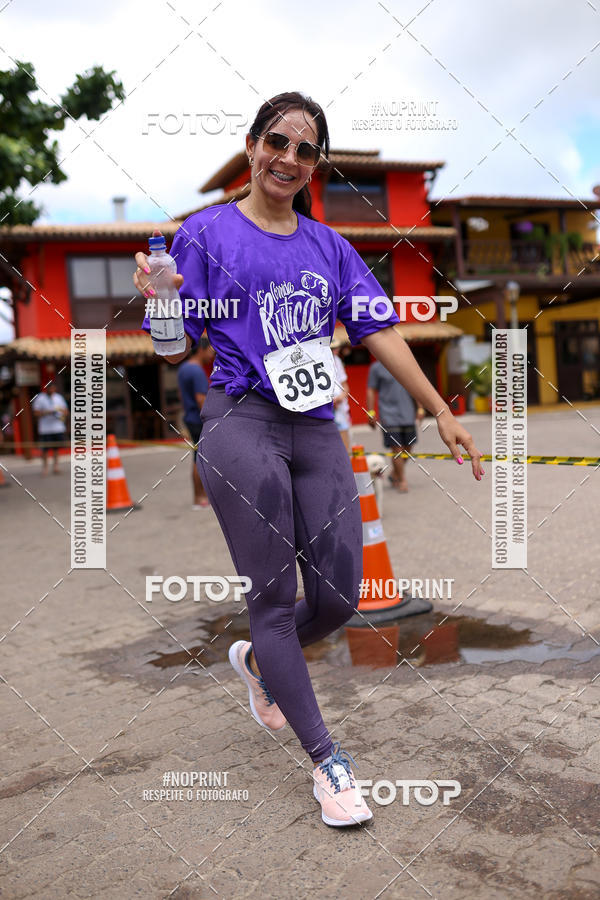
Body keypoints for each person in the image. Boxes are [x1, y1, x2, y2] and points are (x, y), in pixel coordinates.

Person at [134, 91, 484, 828]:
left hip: (317, 426)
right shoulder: (204, 234)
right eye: (277, 141)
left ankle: (260, 661)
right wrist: (162, 299)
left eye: (305, 149)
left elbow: (380, 331)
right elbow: (173, 346)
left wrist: (441, 409)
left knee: (339, 596)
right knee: (271, 600)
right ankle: (328, 761)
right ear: (252, 145)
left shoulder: (330, 247)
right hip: (241, 420)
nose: (288, 158)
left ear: (316, 164)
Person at [367, 359, 425, 492]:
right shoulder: (376, 368)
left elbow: (415, 387)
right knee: (397, 449)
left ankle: (394, 474)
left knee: (408, 449)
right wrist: (370, 412)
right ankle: (402, 480)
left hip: (407, 414)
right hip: (388, 415)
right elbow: (371, 390)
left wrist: (420, 408)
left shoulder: (406, 363)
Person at [177, 337, 215, 508]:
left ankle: (199, 496)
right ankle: (200, 497)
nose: (212, 355)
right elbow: (201, 399)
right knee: (201, 458)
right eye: (210, 351)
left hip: (190, 417)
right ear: (201, 349)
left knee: (197, 456)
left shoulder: (184, 368)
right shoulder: (197, 371)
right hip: (199, 420)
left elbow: (182, 395)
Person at [31, 383, 68, 475]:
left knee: (56, 448)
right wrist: (47, 412)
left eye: (53, 389)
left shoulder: (58, 397)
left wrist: (61, 412)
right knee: (45, 449)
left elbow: (66, 411)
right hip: (45, 429)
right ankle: (45, 468)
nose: (51, 390)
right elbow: (35, 413)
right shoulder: (40, 398)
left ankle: (56, 467)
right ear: (46, 389)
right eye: (50, 389)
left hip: (58, 427)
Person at [331, 339, 351, 453]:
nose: (335, 350)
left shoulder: (337, 360)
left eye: (337, 348)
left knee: (344, 439)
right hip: (326, 405)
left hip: (340, 405)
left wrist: (341, 397)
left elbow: (345, 385)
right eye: (332, 348)